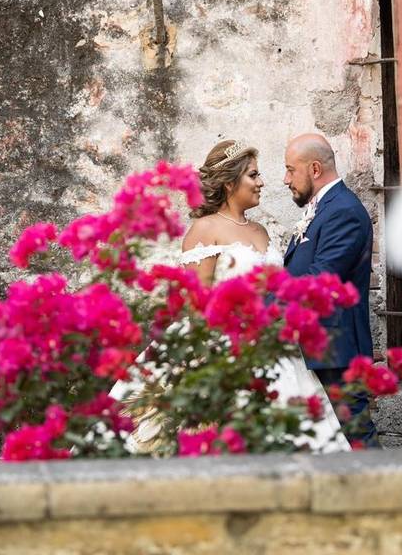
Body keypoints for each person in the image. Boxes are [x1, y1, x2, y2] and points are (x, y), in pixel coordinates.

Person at [112, 139, 349, 453]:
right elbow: (196, 305)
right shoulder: (204, 230)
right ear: (228, 182)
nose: (262, 182)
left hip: (277, 350)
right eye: (253, 175)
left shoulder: (262, 232)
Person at [283, 133, 379, 447]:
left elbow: (319, 278)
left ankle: (392, 494)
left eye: (290, 170)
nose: (285, 179)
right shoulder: (324, 207)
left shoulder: (344, 211)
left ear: (313, 169)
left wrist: (261, 302)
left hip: (336, 351)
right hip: (318, 349)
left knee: (356, 438)